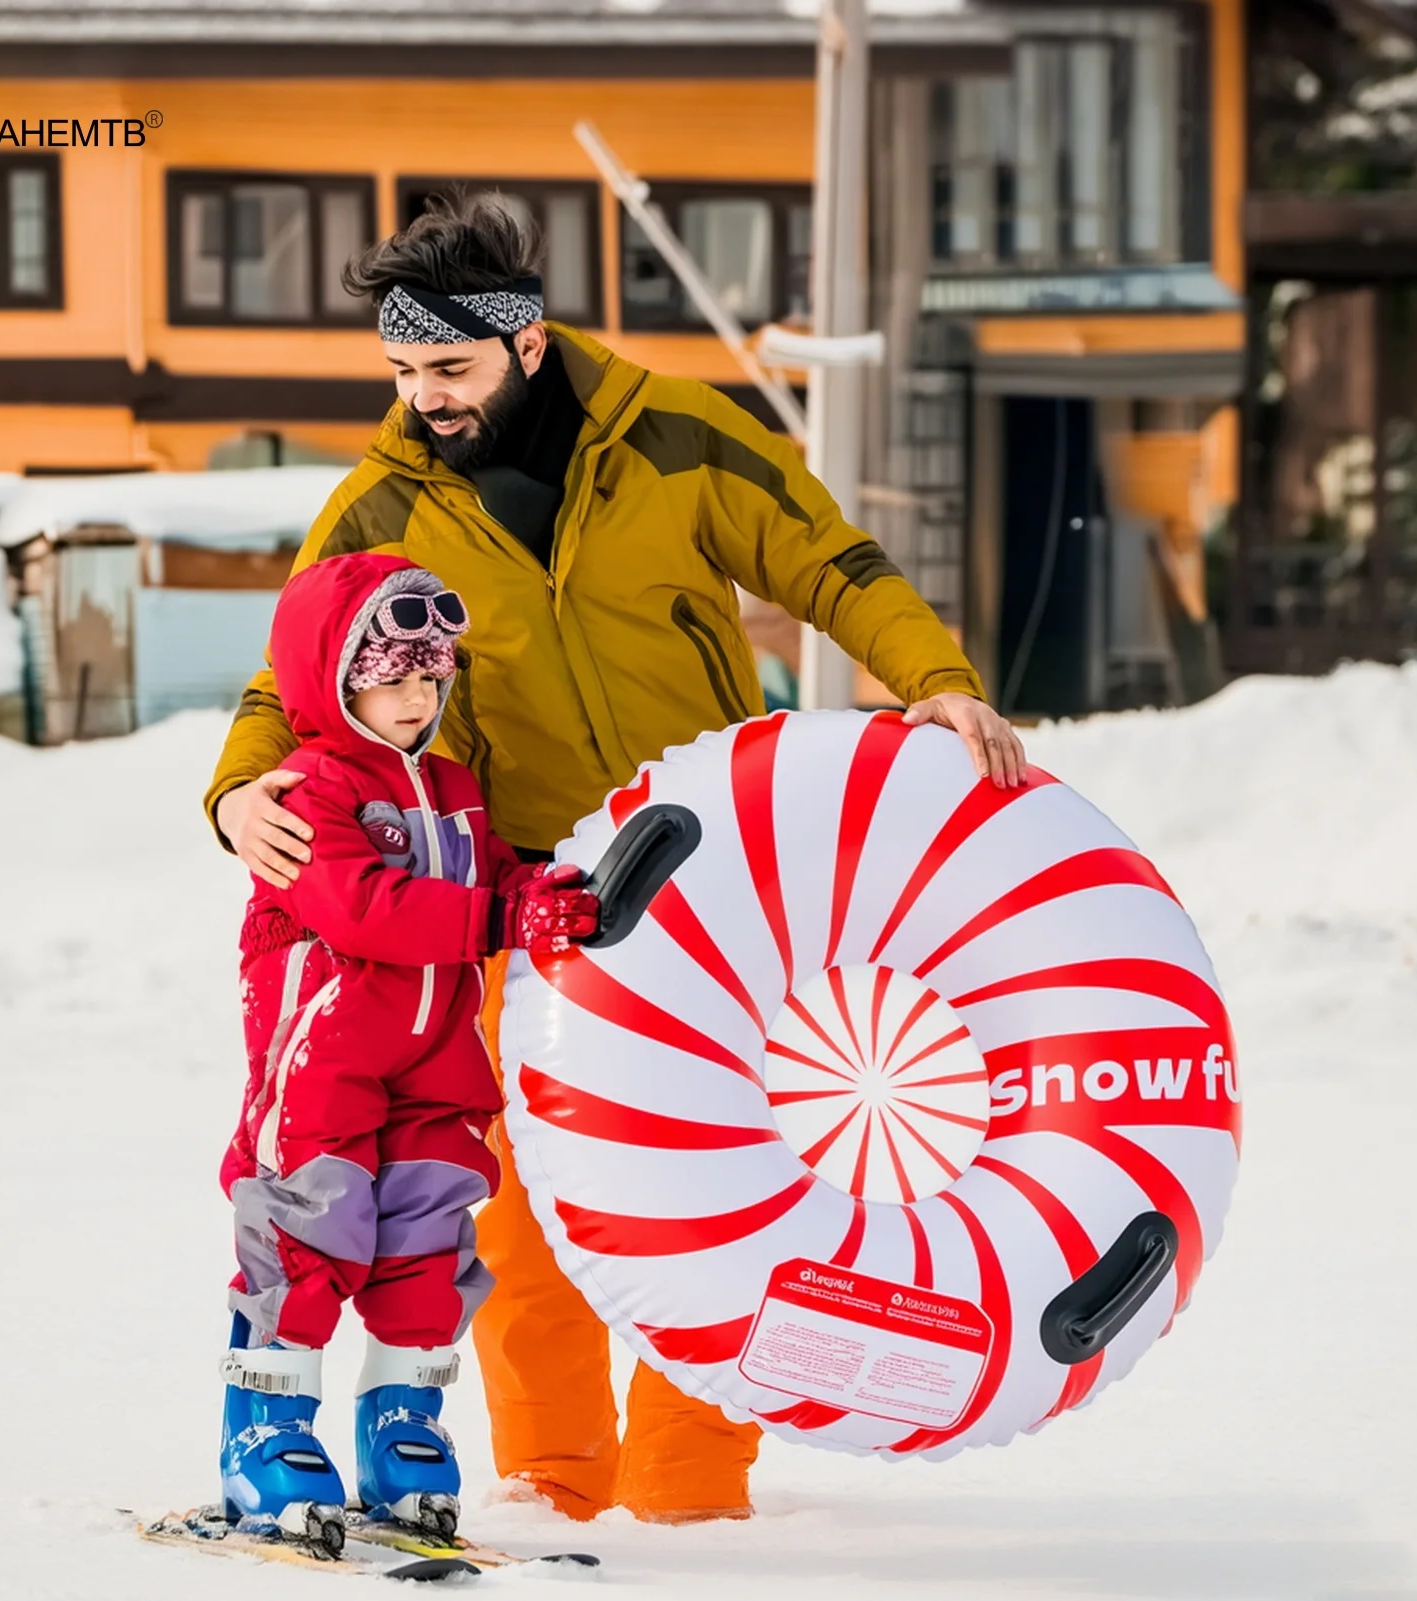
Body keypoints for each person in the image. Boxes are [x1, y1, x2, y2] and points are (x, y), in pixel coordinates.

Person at [205, 189, 1028, 1526]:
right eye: (404, 373)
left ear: (528, 346)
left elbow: (832, 561)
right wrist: (240, 792)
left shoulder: (680, 437)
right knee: (519, 1208)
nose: (426, 399)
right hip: (516, 894)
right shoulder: (380, 507)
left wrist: (934, 678)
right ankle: (551, 1479)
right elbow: (288, 675)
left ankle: (693, 1489)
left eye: (450, 369)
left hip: (711, 889)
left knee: (715, 1183)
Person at [217, 548, 599, 1545]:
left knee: (426, 1243)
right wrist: (495, 915)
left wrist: (534, 891)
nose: (415, 696)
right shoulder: (306, 790)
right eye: (391, 676)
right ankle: (265, 1436)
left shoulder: (455, 785)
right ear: (331, 676)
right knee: (312, 1232)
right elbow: (363, 908)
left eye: (429, 676)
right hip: (326, 1063)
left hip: (436, 1065)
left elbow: (494, 872)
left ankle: (401, 1426)